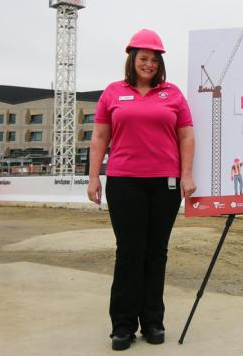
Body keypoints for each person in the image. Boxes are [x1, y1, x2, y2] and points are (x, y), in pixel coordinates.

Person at [87, 28, 197, 351]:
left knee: (156, 253)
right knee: (129, 252)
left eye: (154, 59)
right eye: (143, 58)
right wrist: (94, 178)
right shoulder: (112, 93)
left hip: (166, 184)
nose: (148, 64)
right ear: (132, 59)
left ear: (160, 63)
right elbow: (99, 139)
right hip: (123, 183)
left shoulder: (173, 94)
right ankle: (122, 326)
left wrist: (186, 175)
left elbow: (187, 137)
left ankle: (152, 321)